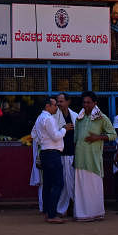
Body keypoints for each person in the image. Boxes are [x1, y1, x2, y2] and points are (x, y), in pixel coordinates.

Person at [73, 90, 115, 222]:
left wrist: (98, 137)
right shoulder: (79, 118)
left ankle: (95, 213)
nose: (85, 105)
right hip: (80, 159)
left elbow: (113, 135)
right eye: (84, 102)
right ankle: (81, 214)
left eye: (88, 102)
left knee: (94, 187)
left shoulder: (102, 118)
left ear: (94, 103)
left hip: (94, 159)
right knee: (81, 188)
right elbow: (75, 139)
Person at [34, 96, 67, 224]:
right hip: (52, 153)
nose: (56, 107)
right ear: (48, 106)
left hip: (45, 153)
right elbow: (56, 136)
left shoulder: (40, 118)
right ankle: (52, 214)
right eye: (54, 105)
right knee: (58, 184)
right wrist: (65, 129)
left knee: (47, 184)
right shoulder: (48, 119)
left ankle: (48, 212)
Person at [53, 91, 79, 216]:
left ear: (68, 102)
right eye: (58, 101)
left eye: (61, 101)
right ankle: (61, 209)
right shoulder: (54, 116)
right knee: (62, 182)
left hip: (73, 153)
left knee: (73, 182)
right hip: (60, 153)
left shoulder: (75, 115)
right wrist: (64, 128)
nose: (59, 104)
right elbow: (52, 133)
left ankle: (74, 207)